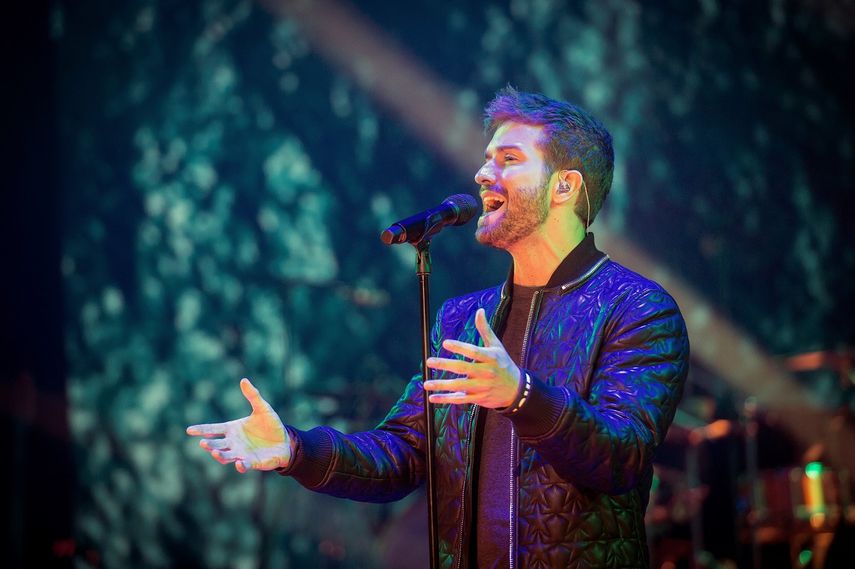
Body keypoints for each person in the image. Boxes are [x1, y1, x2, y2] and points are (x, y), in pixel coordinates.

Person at [187, 87, 690, 568]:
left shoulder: (637, 308)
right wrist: (297, 450)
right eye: (487, 158)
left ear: (565, 185)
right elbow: (403, 455)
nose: (482, 173)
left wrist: (521, 396)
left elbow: (620, 458)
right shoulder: (462, 319)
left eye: (508, 159)